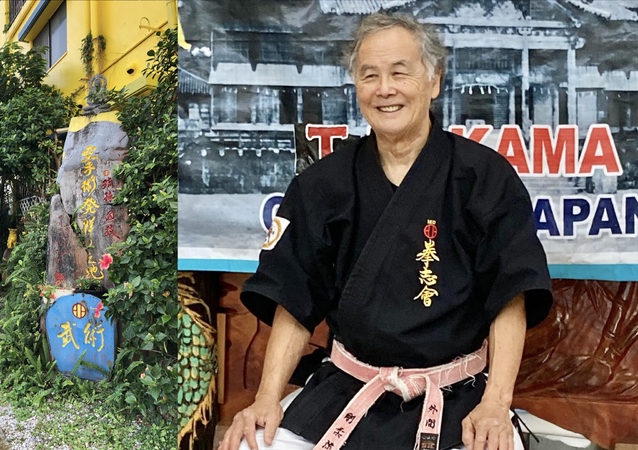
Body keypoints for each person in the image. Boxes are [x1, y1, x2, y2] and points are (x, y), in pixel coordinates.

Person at [219, 13, 553, 450]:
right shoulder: (322, 184)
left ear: (433, 81)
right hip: (347, 387)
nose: (385, 89)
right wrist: (266, 398)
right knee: (250, 445)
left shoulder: (484, 177)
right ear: (356, 86)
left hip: (456, 394)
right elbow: (292, 297)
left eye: (400, 72)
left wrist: (495, 403)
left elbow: (511, 294)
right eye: (369, 75)